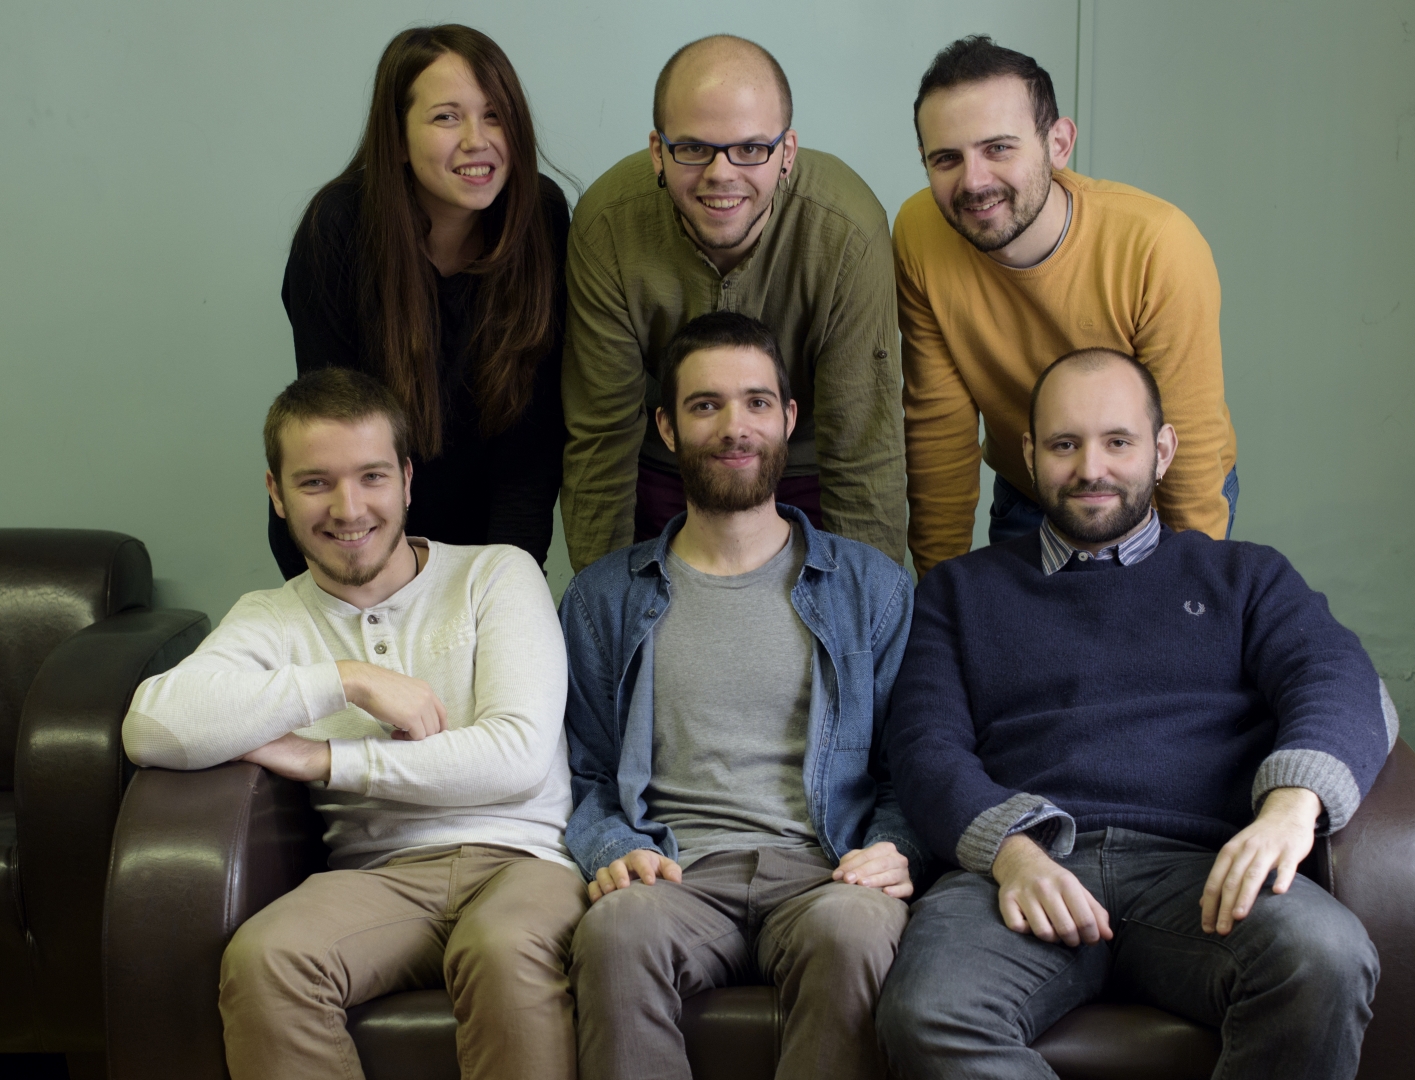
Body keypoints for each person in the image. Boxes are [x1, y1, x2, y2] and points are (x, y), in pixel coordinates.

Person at [875, 348, 1393, 1080]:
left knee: (1326, 956)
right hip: (1021, 872)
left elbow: (1340, 679)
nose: (1091, 468)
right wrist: (1013, 854)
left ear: (1162, 450)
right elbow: (923, 745)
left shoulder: (1244, 576)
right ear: (1029, 454)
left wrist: (1290, 809)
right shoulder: (958, 591)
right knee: (928, 1012)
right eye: (1064, 444)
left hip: (1202, 874)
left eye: (1117, 441)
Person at [123, 368, 586, 1080]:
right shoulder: (272, 617)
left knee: (499, 947)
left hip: (524, 862)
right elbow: (152, 725)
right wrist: (347, 680)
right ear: (276, 493)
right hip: (379, 878)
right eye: (315, 483)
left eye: (372, 477)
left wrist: (327, 760)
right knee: (268, 960)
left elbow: (516, 756)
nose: (348, 508)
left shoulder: (495, 575)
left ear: (406, 481)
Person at [561, 312, 921, 1080]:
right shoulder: (601, 599)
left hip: (827, 871)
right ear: (666, 427)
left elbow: (909, 766)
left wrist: (895, 848)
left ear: (788, 418)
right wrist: (614, 849)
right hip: (675, 873)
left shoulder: (873, 589)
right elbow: (585, 769)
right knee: (614, 933)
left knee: (857, 931)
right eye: (706, 405)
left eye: (757, 402)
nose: (735, 427)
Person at [559, 34, 906, 573]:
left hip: (804, 471)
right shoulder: (606, 226)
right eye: (693, 148)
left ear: (787, 152)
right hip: (670, 469)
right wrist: (600, 603)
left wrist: (868, 607)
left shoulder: (848, 231)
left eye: (750, 149)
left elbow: (863, 447)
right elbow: (602, 439)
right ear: (658, 151)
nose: (721, 174)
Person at [895, 35, 1239, 574]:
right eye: (946, 159)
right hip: (1033, 489)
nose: (974, 181)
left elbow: (1189, 445)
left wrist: (1195, 586)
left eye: (998, 148)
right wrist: (940, 588)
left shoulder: (1157, 245)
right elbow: (940, 432)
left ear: (1058, 143)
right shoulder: (920, 234)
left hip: (1154, 493)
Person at [272, 24, 568, 579]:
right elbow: (336, 433)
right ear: (397, 138)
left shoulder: (541, 217)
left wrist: (509, 581)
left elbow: (532, 440)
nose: (477, 140)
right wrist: (397, 591)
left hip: (488, 540)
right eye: (446, 117)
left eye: (495, 115)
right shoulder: (337, 229)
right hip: (353, 535)